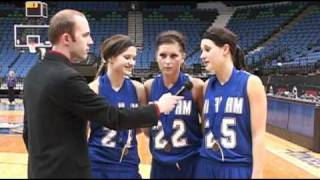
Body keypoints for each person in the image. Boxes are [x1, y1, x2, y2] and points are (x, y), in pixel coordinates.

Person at [22, 9, 183, 178]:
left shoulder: (33, 74)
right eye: (85, 35)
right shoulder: (68, 78)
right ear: (67, 39)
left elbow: (27, 132)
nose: (91, 41)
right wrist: (157, 108)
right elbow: (113, 117)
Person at [194, 26, 267, 179]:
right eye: (201, 50)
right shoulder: (207, 86)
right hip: (206, 164)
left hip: (237, 166)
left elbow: (258, 135)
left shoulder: (251, 83)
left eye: (207, 49)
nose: (202, 55)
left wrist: (257, 174)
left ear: (225, 49)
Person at [144, 30, 204, 178]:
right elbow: (146, 130)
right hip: (160, 163)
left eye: (174, 55)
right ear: (156, 57)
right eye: (163, 55)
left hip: (190, 163)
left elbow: (205, 126)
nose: (167, 61)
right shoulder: (149, 87)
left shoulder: (196, 86)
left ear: (183, 57)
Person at [87, 35, 144, 178]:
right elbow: (82, 133)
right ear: (110, 58)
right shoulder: (93, 89)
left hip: (128, 163)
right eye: (127, 57)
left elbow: (138, 129)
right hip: (98, 164)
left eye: (134, 58)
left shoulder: (138, 89)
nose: (132, 62)